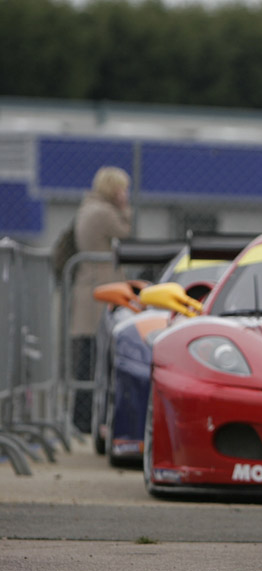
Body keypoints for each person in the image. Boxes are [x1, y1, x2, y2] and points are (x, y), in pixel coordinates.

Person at [69, 166, 133, 434]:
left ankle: (81, 418)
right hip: (100, 291)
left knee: (86, 357)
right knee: (96, 357)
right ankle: (86, 421)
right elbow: (126, 232)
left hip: (87, 290)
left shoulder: (87, 208)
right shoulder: (105, 213)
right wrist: (124, 208)